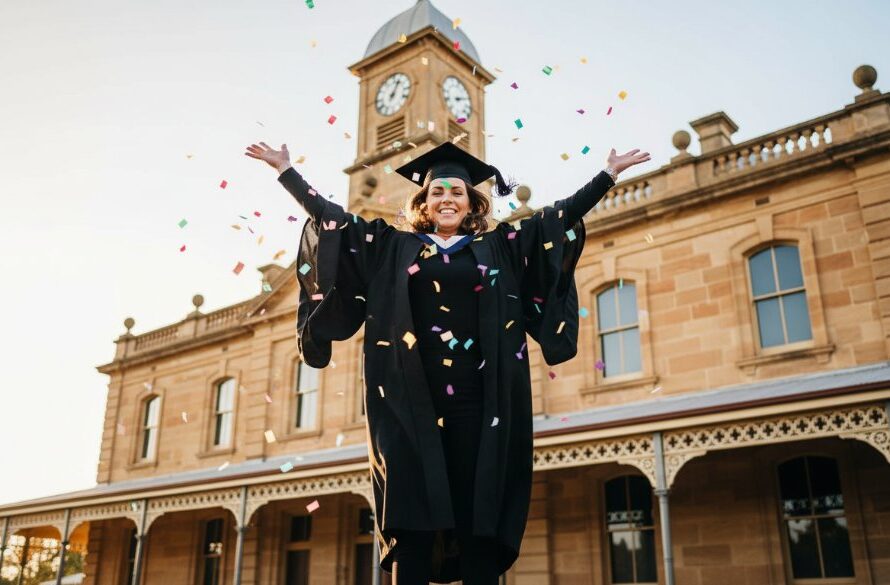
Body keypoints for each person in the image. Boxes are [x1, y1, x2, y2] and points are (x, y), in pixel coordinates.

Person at [244, 141, 650, 584]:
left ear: (472, 201)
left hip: (481, 407)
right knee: (412, 522)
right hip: (406, 406)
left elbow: (557, 218)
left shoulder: (500, 247)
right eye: (437, 192)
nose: (447, 199)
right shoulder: (391, 248)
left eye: (457, 192)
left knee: (479, 520)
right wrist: (287, 172)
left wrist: (607, 176)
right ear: (423, 202)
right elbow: (333, 219)